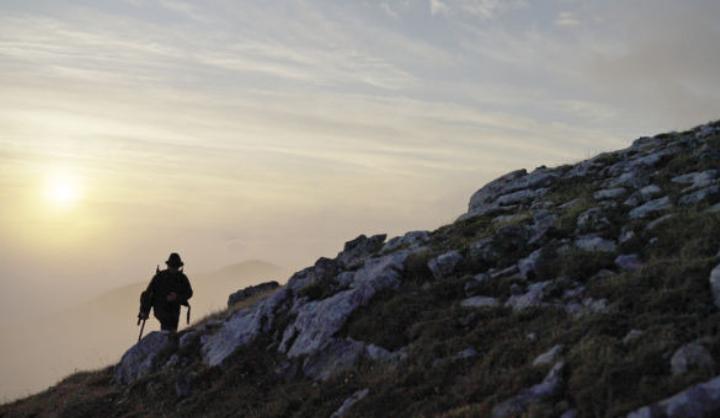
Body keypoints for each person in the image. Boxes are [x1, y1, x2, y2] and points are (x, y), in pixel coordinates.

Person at [139, 253, 193, 332]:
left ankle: (168, 340)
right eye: (172, 266)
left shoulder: (182, 278)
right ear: (168, 265)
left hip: (174, 309)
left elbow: (189, 293)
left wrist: (177, 297)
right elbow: (148, 293)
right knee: (167, 326)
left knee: (172, 329)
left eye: (176, 266)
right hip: (160, 308)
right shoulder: (159, 277)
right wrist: (144, 311)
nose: (174, 268)